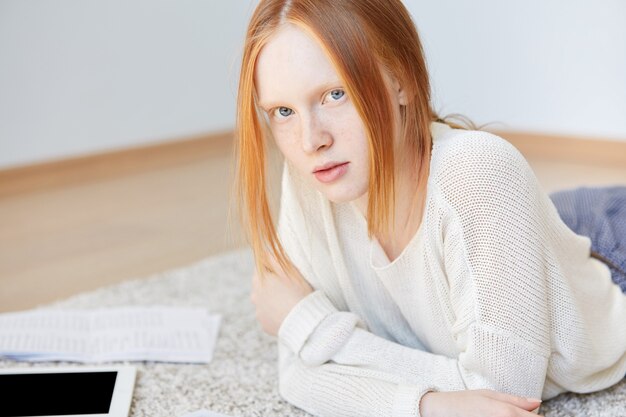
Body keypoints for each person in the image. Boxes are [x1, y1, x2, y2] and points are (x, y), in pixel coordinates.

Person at [234, 1, 626, 416]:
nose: (310, 140)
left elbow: (502, 396)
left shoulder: (479, 172)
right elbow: (296, 375)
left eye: (335, 94)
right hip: (528, 229)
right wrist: (428, 406)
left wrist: (312, 326)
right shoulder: (310, 177)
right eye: (283, 111)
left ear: (401, 79)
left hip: (612, 256)